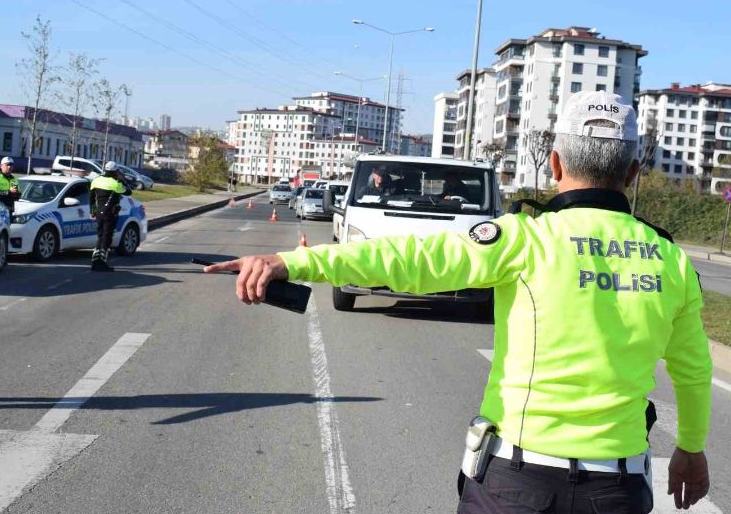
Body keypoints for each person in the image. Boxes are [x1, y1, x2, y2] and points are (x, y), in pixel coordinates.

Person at [206, 91, 712, 513]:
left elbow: (409, 259)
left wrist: (295, 263)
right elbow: (691, 371)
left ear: (554, 164)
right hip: (617, 491)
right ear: (633, 173)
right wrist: (690, 448)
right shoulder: (671, 261)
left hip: (518, 484)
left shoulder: (525, 239)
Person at [89, 161, 131, 272]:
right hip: (110, 213)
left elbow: (91, 198)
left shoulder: (96, 180)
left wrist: (92, 211)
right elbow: (129, 191)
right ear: (114, 171)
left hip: (98, 213)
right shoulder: (115, 183)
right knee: (107, 238)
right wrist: (122, 179)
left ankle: (95, 262)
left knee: (100, 235)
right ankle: (102, 263)